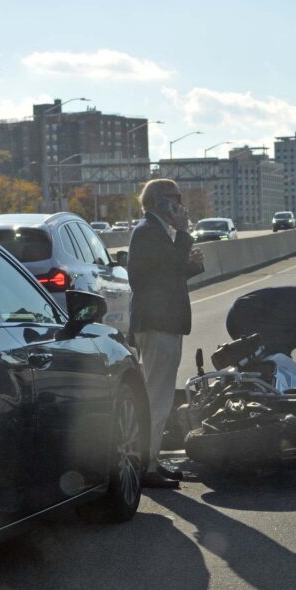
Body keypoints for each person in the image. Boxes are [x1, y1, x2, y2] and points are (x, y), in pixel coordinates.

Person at [128, 179, 204, 488]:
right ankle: (145, 466)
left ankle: (151, 460)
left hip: (164, 322)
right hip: (157, 324)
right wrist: (184, 233)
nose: (181, 205)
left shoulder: (155, 232)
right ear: (161, 202)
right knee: (156, 399)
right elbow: (156, 277)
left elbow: (163, 275)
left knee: (157, 396)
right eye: (176, 200)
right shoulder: (148, 231)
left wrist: (191, 266)